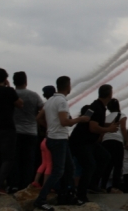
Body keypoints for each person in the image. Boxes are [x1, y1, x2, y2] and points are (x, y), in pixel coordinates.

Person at [34, 76, 89, 211]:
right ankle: (41, 200)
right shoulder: (62, 101)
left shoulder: (50, 100)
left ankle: (70, 195)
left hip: (52, 138)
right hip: (59, 139)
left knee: (69, 168)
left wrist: (49, 127)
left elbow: (38, 118)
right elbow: (65, 122)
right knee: (58, 171)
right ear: (68, 86)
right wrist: (80, 119)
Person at [69, 84, 118, 202]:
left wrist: (107, 125)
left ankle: (92, 185)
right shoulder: (97, 107)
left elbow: (94, 123)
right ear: (109, 95)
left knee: (105, 156)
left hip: (88, 142)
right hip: (80, 142)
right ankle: (81, 195)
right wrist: (109, 129)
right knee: (90, 165)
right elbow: (93, 127)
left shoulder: (97, 106)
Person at [9, 71, 44, 192]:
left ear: (14, 81)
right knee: (29, 160)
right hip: (31, 132)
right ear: (26, 81)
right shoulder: (34, 95)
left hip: (14, 131)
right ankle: (26, 185)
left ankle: (13, 185)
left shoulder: (11, 94)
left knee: (14, 159)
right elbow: (42, 109)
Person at [0, 68, 23, 195]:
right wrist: (9, 87)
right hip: (7, 128)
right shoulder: (9, 91)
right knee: (8, 158)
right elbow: (20, 104)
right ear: (5, 79)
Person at [100, 98, 128, 193]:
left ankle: (103, 186)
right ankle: (115, 187)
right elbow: (123, 128)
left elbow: (102, 131)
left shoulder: (106, 118)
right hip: (117, 141)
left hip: (106, 142)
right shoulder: (122, 116)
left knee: (107, 166)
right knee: (118, 165)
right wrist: (127, 141)